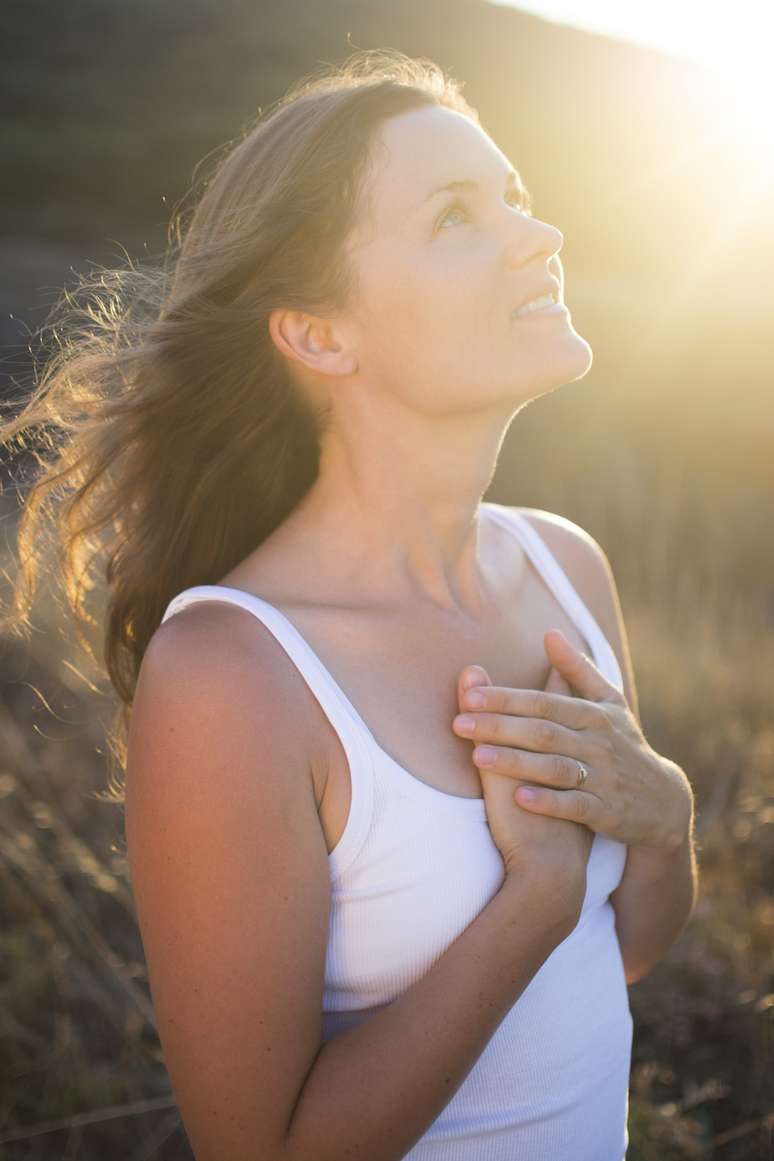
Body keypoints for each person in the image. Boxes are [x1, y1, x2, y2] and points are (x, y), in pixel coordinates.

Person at [2, 48, 697, 1161]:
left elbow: (626, 954)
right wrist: (529, 903)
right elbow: (260, 1151)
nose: (541, 235)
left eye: (517, 197)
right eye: (458, 217)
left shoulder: (568, 570)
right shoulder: (235, 674)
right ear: (319, 333)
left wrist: (666, 817)